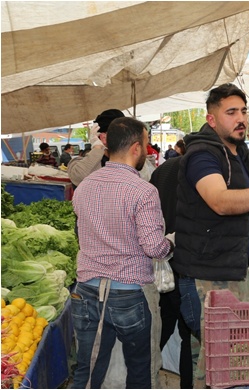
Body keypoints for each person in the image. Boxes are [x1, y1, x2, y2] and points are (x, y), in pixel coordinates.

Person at [172, 83, 249, 387]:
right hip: (206, 277)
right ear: (211, 119)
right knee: (218, 365)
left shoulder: (239, 151)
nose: (240, 118)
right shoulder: (202, 155)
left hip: (233, 270)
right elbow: (219, 200)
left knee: (224, 361)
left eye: (243, 111)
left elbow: (240, 207)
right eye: (231, 112)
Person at [71, 117, 174, 388]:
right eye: (147, 143)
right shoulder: (143, 191)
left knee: (88, 368)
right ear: (136, 148)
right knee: (140, 370)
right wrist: (171, 243)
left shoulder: (84, 187)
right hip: (128, 293)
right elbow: (154, 247)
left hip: (86, 291)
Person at [149, 152, 199, 389]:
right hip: (191, 261)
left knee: (166, 322)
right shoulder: (204, 171)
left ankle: (144, 376)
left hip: (166, 258)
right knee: (189, 333)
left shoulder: (163, 169)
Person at [68, 109, 125, 187]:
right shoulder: (84, 162)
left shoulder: (128, 158)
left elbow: (144, 174)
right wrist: (97, 148)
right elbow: (78, 177)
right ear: (103, 137)